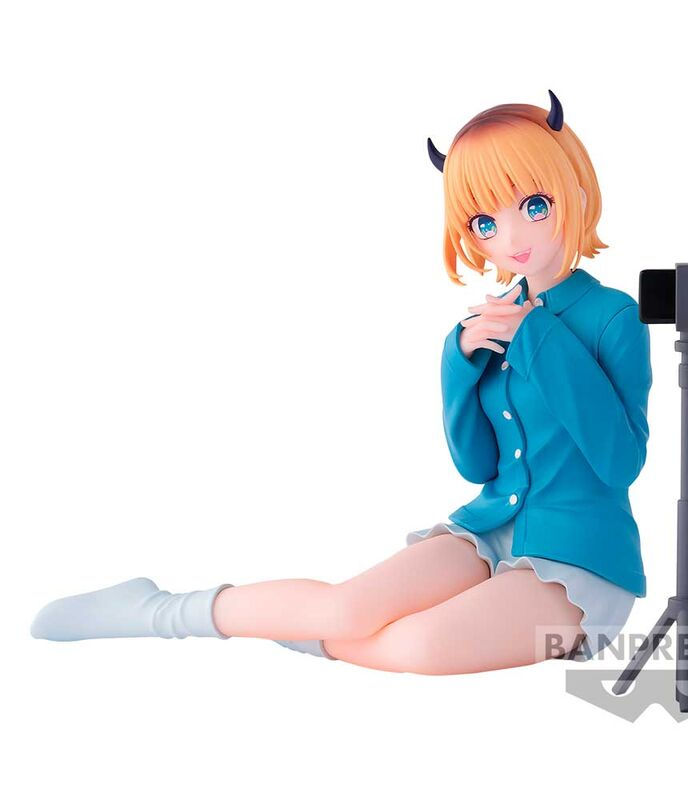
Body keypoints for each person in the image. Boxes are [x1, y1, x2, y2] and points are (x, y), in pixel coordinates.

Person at [31, 92, 653, 674]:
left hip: (583, 561)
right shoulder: (490, 323)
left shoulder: (613, 316)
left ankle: (283, 623)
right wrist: (459, 359)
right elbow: (477, 465)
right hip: (489, 528)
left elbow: (619, 463)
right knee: (345, 608)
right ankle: (157, 610)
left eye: (534, 206)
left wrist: (537, 339)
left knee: (417, 644)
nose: (511, 238)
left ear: (574, 189)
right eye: (485, 223)